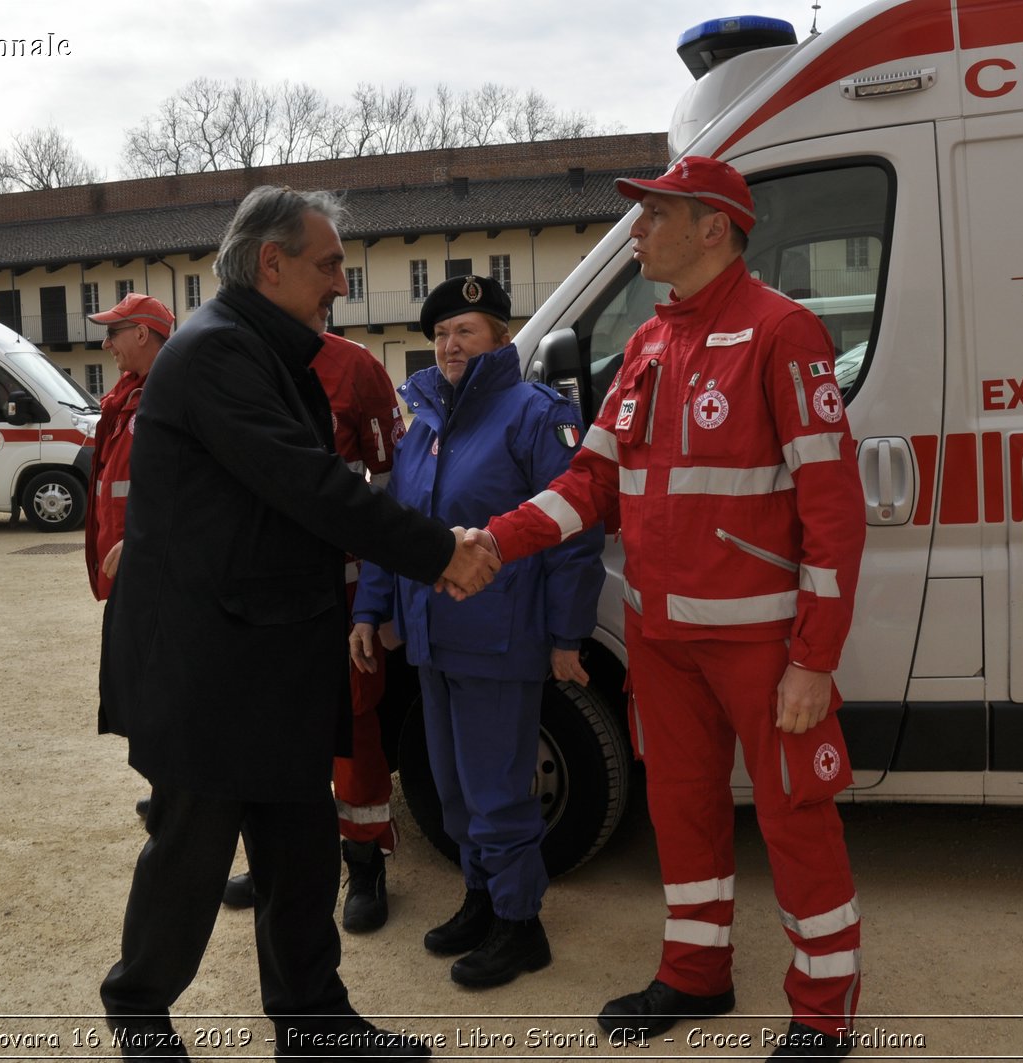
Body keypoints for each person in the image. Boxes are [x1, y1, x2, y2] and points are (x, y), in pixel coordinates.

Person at [470, 157, 866, 1059]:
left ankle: (825, 1008)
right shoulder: (650, 343)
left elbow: (833, 513)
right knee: (680, 807)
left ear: (713, 227)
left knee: (795, 818)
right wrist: (497, 539)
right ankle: (696, 972)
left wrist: (814, 656)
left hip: (763, 643)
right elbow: (591, 480)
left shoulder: (785, 332)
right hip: (661, 637)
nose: (638, 230)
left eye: (653, 215)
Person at [96, 185, 499, 1061]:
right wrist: (438, 551)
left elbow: (309, 494)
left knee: (301, 851)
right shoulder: (214, 354)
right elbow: (309, 486)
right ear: (269, 263)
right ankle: (138, 1009)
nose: (339, 286)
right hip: (207, 659)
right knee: (192, 855)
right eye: (327, 267)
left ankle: (314, 1022)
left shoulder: (262, 348)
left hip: (267, 648)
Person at [351, 276, 603, 989]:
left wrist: (565, 633)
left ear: (499, 335)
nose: (449, 345)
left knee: (498, 793)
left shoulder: (534, 415)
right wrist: (374, 610)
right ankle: (482, 901)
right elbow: (391, 529)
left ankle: (522, 927)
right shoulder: (424, 422)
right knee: (453, 790)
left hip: (500, 638)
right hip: (433, 640)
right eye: (439, 334)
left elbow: (574, 531)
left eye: (465, 330)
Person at [220, 331, 408, 934]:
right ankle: (280, 862)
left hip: (341, 588)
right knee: (269, 729)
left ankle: (364, 861)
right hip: (258, 588)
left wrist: (382, 600)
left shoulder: (355, 366)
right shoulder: (229, 360)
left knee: (352, 726)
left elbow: (388, 489)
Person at [82, 292, 175, 602]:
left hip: (154, 569)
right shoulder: (129, 397)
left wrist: (145, 540)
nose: (105, 344)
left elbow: (194, 486)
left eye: (112, 334)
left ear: (141, 334)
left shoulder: (174, 396)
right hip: (129, 570)